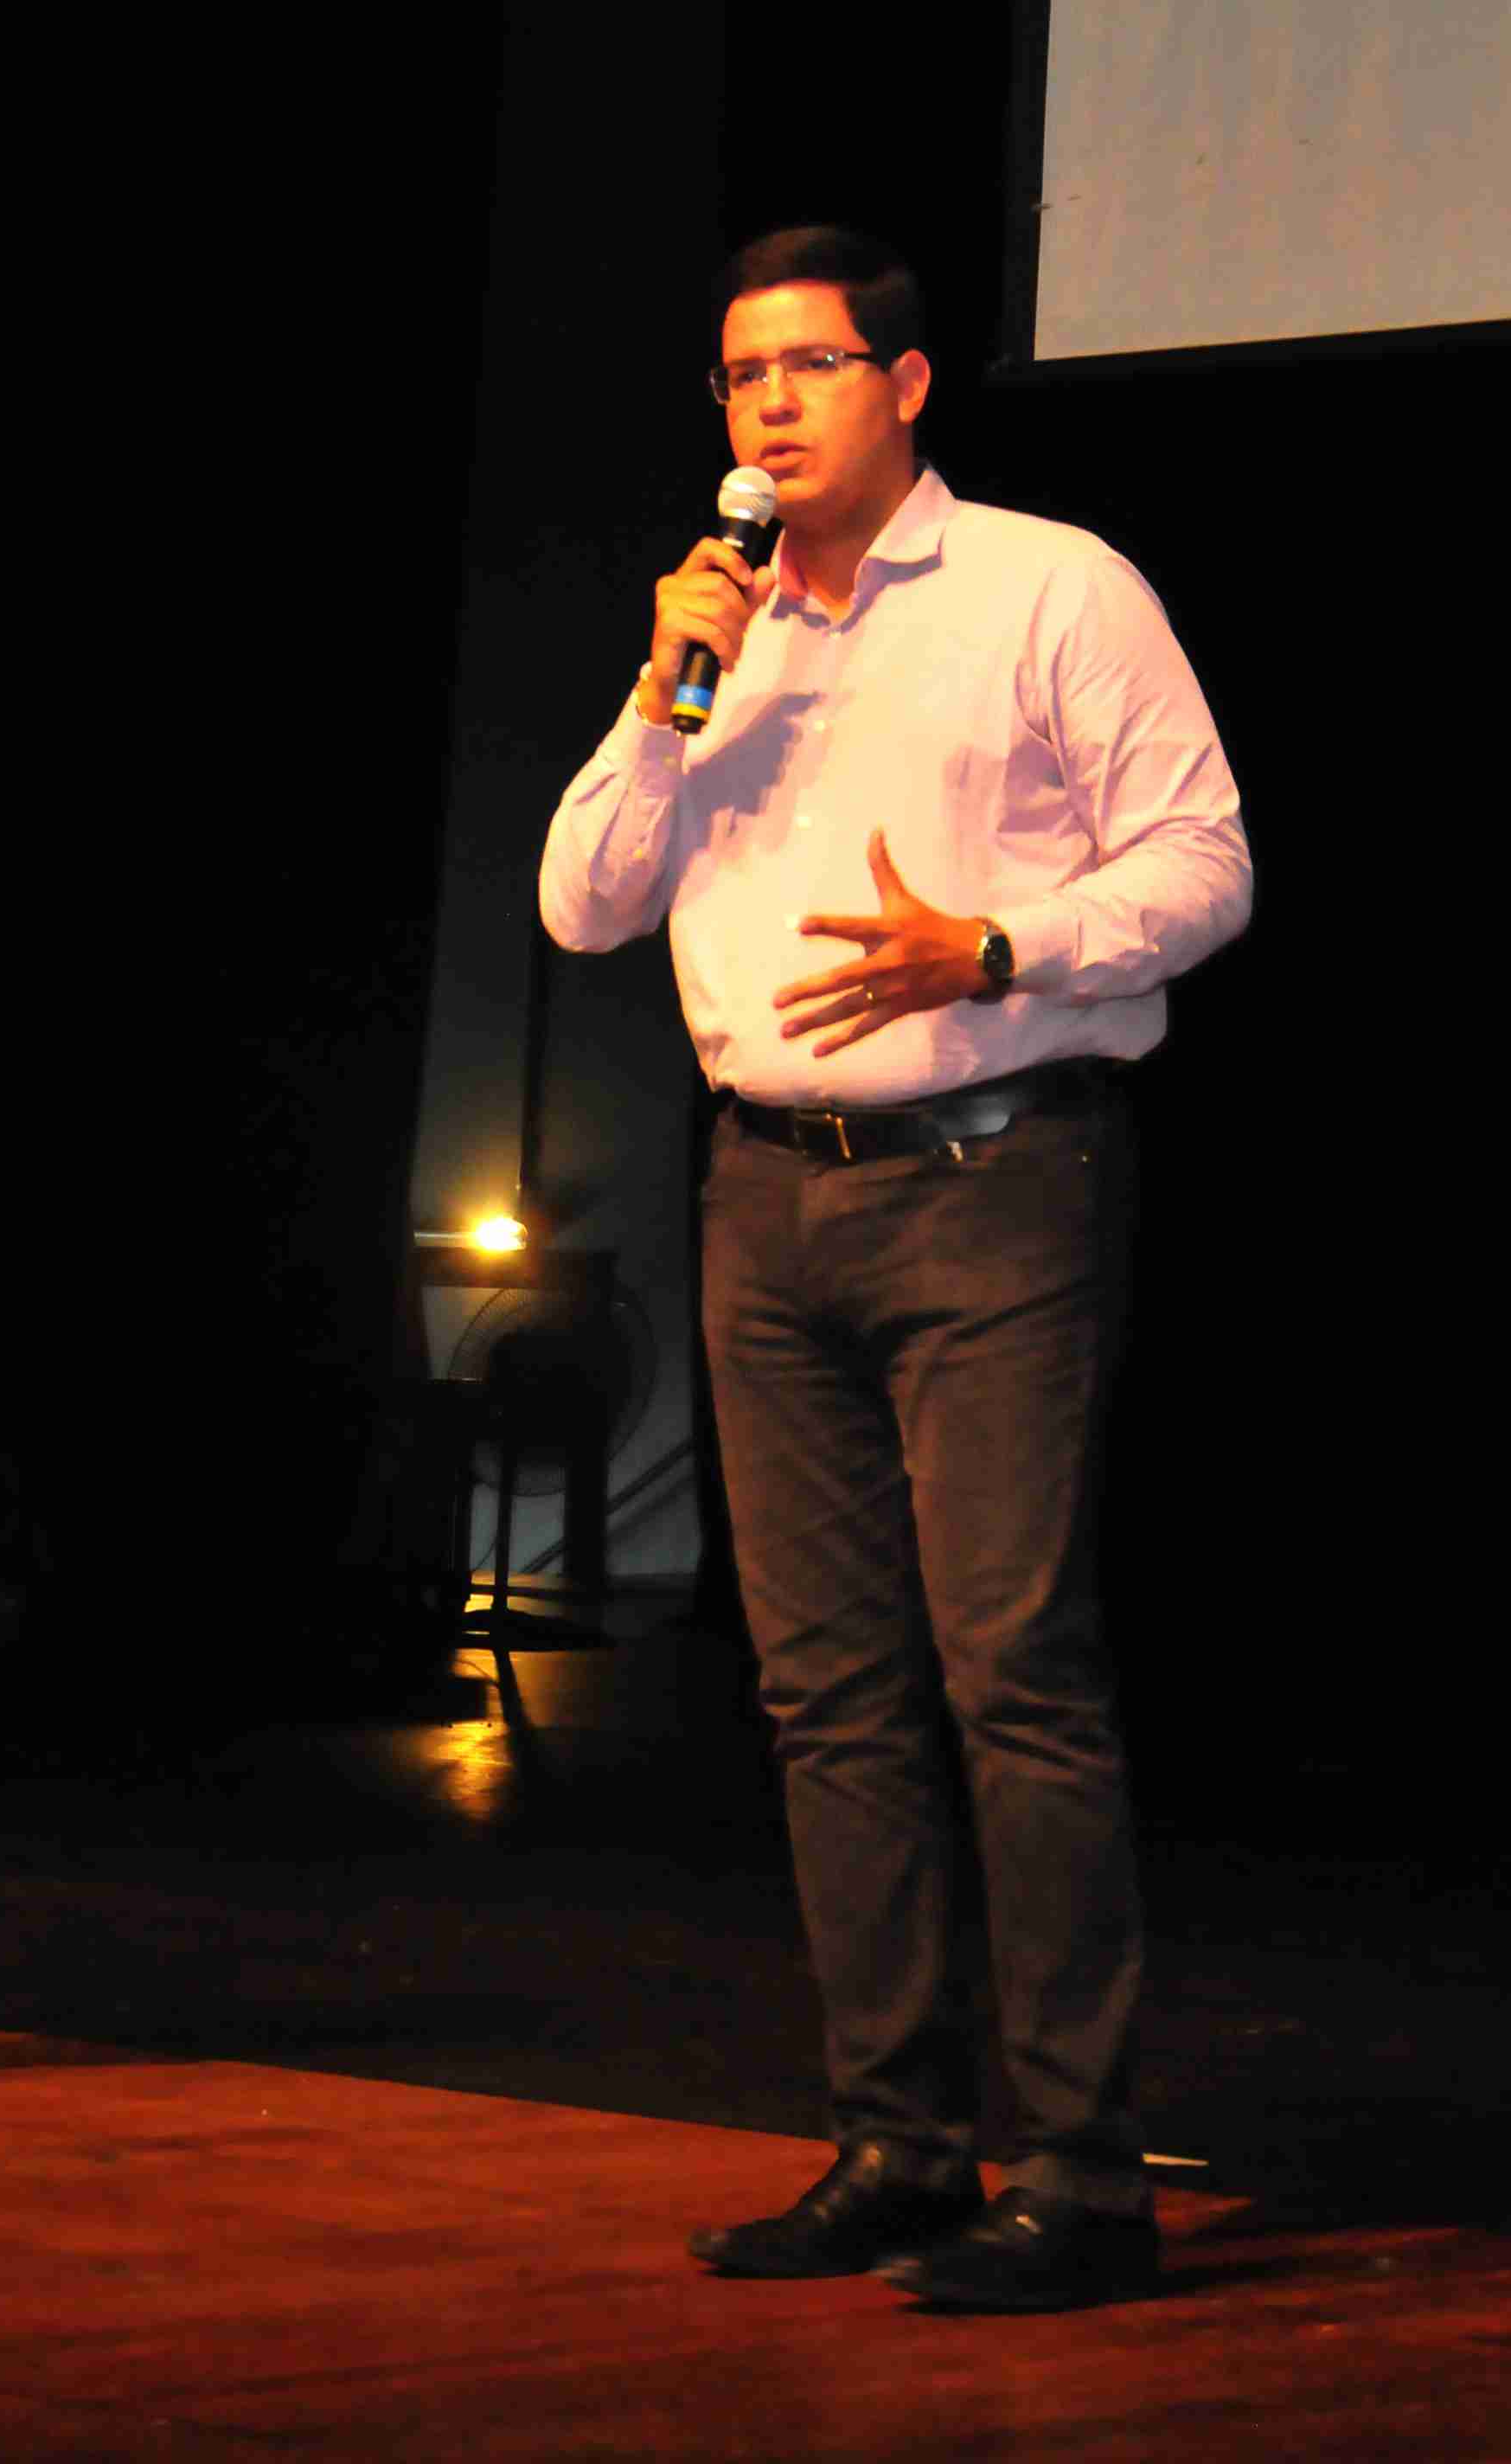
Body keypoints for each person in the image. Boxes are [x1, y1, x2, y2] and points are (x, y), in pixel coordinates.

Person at [540, 229, 1252, 2310]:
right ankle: (895, 2138)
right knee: (823, 1691)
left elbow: (1207, 862)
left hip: (992, 1175)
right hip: (761, 1195)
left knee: (1008, 1669)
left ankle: (1083, 2172)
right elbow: (587, 906)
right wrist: (672, 691)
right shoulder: (712, 625)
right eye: (736, 375)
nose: (766, 406)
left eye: (810, 366)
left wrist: (998, 949)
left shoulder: (1051, 584)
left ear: (909, 384)